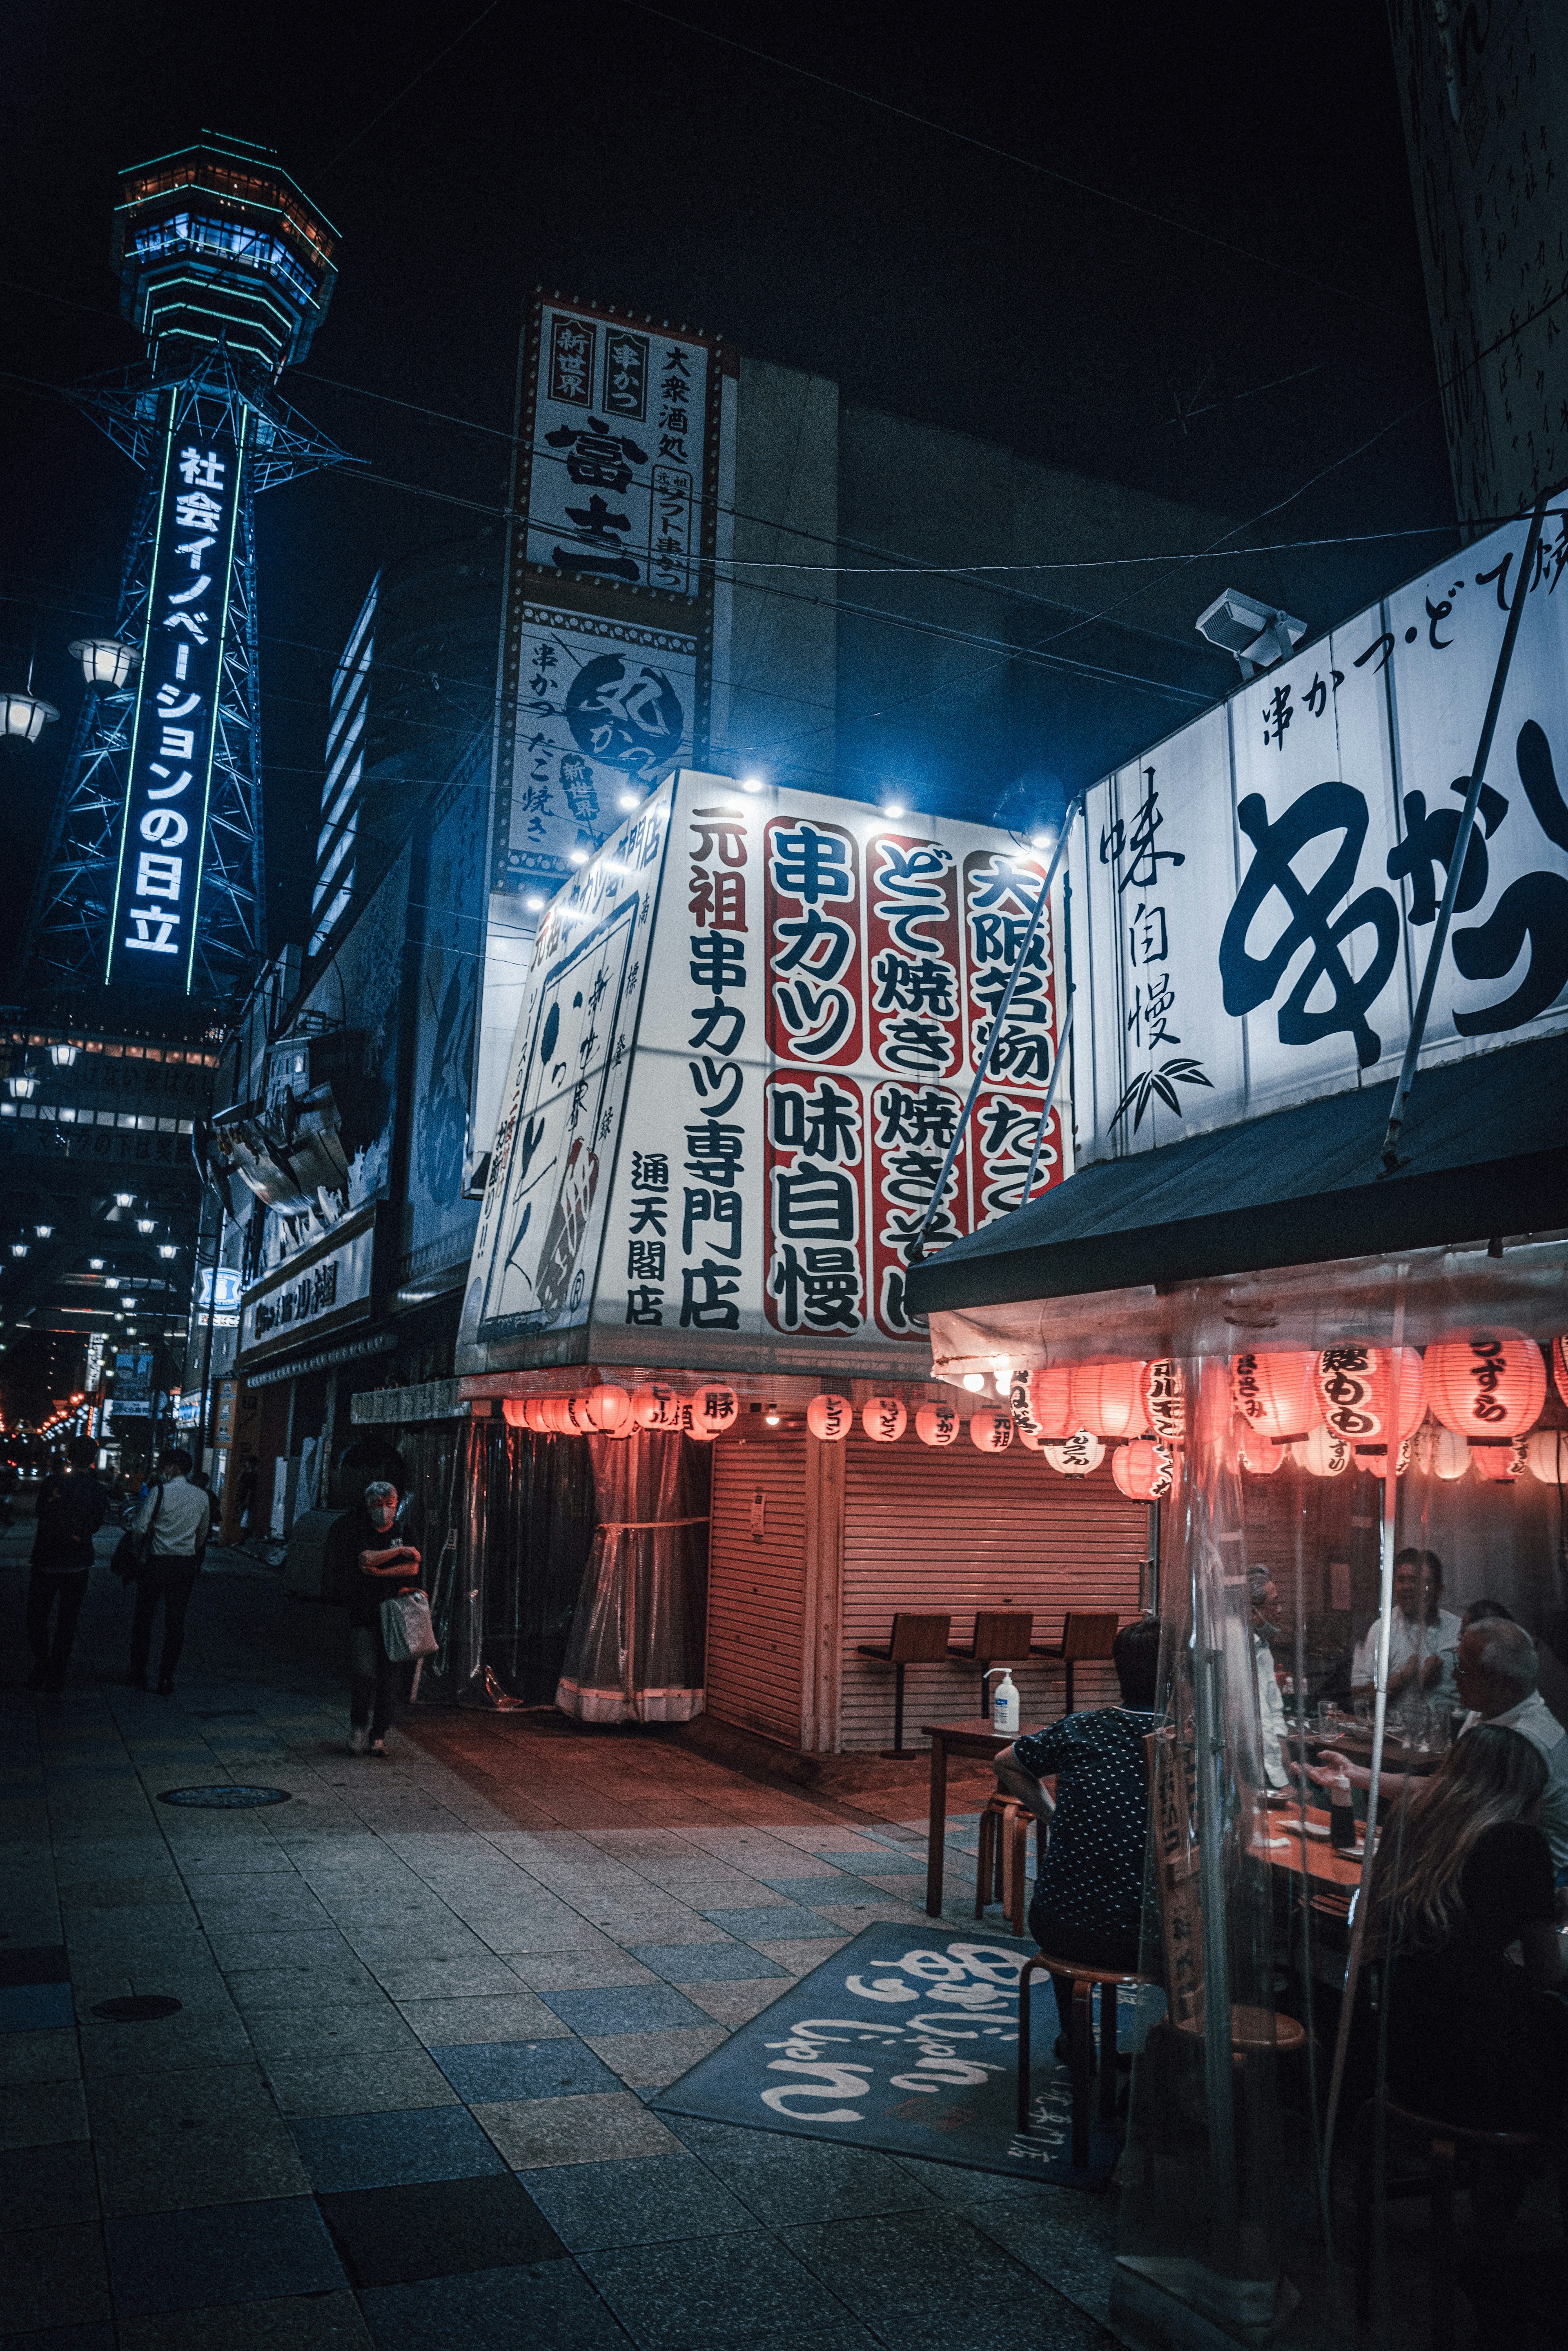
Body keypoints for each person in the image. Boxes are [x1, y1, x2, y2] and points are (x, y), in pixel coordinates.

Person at [1365, 1724, 1568, 2133]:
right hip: (1480, 2056)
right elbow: (1546, 1971)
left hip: (1400, 2040)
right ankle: (1510, 2185)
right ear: (1525, 1791)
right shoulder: (1519, 1841)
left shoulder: (1409, 1817)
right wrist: (1549, 1914)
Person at [993, 1616, 1162, 2056]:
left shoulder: (1084, 1728)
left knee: (1079, 1906)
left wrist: (1053, 1816)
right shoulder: (1190, 1741)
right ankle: (1177, 2048)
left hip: (1059, 1926)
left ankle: (1076, 2037)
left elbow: (1007, 1761)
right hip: (1150, 1937)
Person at [1312, 1618, 1568, 1884]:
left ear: (1501, 1682)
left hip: (1532, 1886)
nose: (1454, 1676)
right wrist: (1354, 1773)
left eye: (1464, 1669)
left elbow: (1446, 1800)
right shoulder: (1492, 1713)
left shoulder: (1521, 1741)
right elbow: (1447, 1786)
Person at [323, 1479, 421, 1756]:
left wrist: (381, 1571)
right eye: (378, 1505)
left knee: (390, 1678)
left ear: (397, 1503)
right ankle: (358, 1727)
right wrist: (399, 1553)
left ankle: (379, 1735)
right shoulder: (358, 1530)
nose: (385, 1510)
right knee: (363, 1673)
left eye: (390, 1504)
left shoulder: (406, 1530)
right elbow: (365, 1559)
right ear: (368, 1506)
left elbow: (413, 1569)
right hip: (364, 1612)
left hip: (396, 1614)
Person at [26, 1437, 112, 1693]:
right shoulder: (97, 1488)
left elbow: (41, 1512)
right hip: (78, 1561)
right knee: (68, 1620)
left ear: (68, 1456)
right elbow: (97, 1523)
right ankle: (58, 1672)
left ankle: (42, 1662)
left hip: (47, 1558)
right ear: (93, 1460)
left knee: (37, 1616)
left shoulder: (54, 1483)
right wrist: (77, 1534)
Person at [127, 1447, 211, 1695]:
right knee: (175, 1622)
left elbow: (140, 1529)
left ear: (174, 1467)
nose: (163, 1470)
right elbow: (203, 1535)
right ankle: (166, 1677)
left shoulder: (159, 1492)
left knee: (144, 1618)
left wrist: (137, 1547)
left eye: (165, 1466)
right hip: (184, 1564)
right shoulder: (201, 1496)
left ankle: (139, 1672)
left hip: (157, 1562)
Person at [1350, 1548, 1462, 1713]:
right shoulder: (1382, 1630)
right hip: (1396, 1735)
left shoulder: (1459, 1630)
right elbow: (1359, 1696)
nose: (1407, 1587)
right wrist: (1402, 1680)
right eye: (1401, 1580)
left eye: (1416, 1581)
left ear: (1439, 1590)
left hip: (1450, 1731)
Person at [1249, 1569, 1291, 1796]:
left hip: (1272, 1771)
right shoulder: (1239, 1650)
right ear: (1254, 1613)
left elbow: (1275, 1713)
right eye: (1274, 1604)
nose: (1280, 1610)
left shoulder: (1262, 1648)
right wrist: (1282, 1783)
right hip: (1253, 1771)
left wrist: (1287, 1774)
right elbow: (1262, 1722)